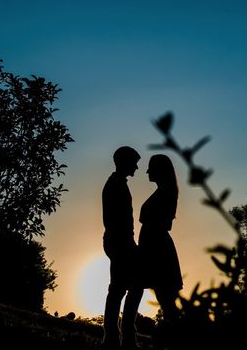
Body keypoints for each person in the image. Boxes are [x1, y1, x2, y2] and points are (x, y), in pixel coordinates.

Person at [101, 146, 143, 350]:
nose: (136, 166)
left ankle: (119, 335)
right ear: (124, 162)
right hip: (120, 242)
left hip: (121, 241)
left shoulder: (117, 183)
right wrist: (128, 244)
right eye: (134, 162)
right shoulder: (116, 184)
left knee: (126, 287)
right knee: (123, 288)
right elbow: (117, 219)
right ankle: (118, 336)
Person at [138, 154, 183, 321]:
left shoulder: (165, 193)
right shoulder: (163, 192)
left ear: (159, 170)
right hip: (155, 246)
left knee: (167, 301)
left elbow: (162, 224)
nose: (147, 171)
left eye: (151, 167)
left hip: (158, 249)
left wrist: (146, 250)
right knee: (166, 301)